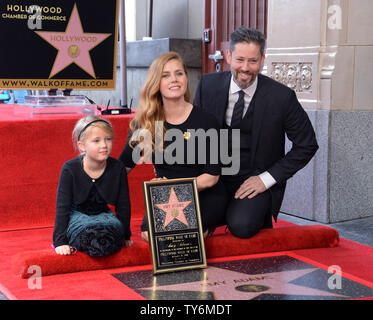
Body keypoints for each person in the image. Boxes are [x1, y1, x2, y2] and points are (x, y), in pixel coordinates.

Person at [194, 26, 319, 238]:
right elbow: (195, 134)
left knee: (242, 226)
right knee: (191, 223)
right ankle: (221, 211)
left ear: (262, 60)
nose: (245, 68)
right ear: (228, 56)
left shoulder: (282, 97)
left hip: (254, 178)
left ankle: (239, 212)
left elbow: (307, 144)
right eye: (239, 60)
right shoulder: (208, 85)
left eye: (252, 61)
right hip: (214, 178)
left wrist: (266, 179)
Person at [119, 51, 227, 241]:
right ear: (156, 83)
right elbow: (124, 165)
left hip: (203, 194)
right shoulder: (145, 122)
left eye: (179, 73)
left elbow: (211, 177)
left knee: (186, 235)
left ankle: (205, 229)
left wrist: (173, 188)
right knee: (149, 235)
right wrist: (91, 173)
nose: (174, 80)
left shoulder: (206, 121)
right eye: (165, 75)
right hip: (166, 198)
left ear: (186, 78)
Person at [53, 116, 132, 256]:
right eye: (96, 141)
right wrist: (60, 242)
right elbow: (62, 206)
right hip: (78, 216)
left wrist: (125, 235)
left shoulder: (117, 167)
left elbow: (123, 205)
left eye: (108, 139)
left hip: (104, 216)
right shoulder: (70, 168)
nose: (104, 145)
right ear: (82, 145)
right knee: (91, 236)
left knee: (109, 236)